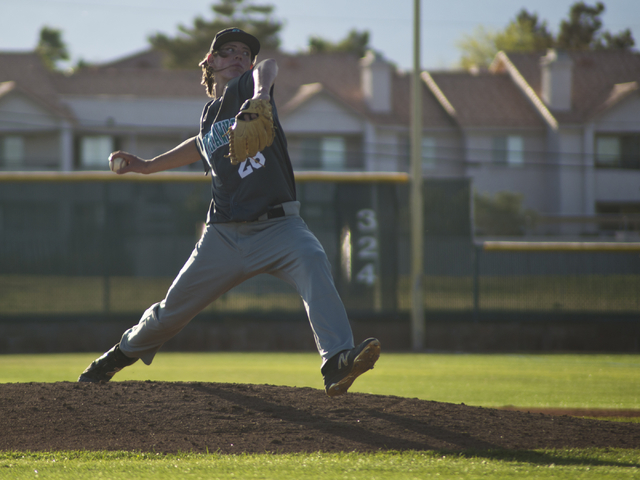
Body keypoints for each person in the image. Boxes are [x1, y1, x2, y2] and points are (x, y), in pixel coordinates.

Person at [78, 28, 380, 397]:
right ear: (210, 62)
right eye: (226, 51)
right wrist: (146, 166)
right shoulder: (209, 116)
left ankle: (336, 361)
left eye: (243, 52)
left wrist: (259, 95)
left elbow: (268, 67)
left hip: (281, 228)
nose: (237, 56)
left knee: (314, 260)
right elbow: (201, 144)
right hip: (223, 236)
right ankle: (115, 357)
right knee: (171, 313)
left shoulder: (249, 91)